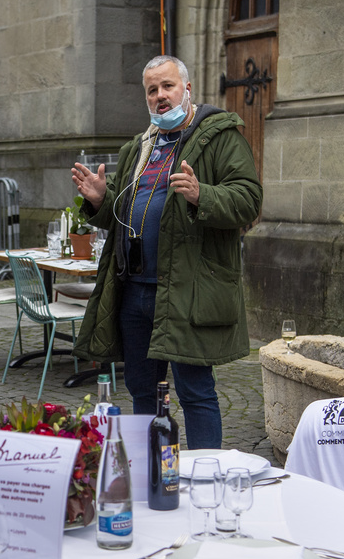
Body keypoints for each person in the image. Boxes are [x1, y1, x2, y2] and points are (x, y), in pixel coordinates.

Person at [71, 55, 262, 449]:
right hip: (135, 292)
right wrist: (101, 201)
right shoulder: (139, 147)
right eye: (152, 90)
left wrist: (201, 194)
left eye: (167, 86)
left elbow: (249, 200)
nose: (160, 96)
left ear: (187, 89)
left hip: (186, 291)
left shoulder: (220, 136)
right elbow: (126, 218)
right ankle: (152, 474)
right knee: (143, 391)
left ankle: (207, 474)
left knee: (195, 391)